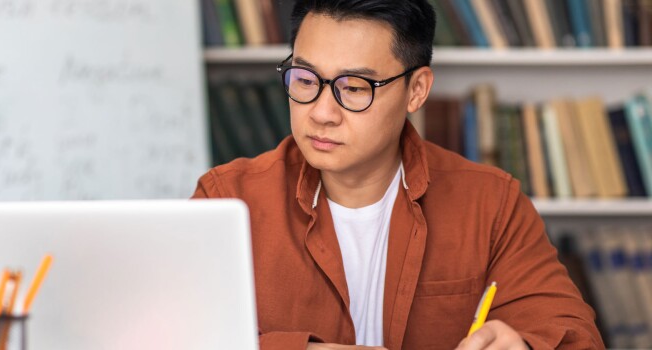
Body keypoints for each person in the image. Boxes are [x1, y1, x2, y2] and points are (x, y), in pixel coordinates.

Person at [191, 1, 604, 349]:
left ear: (417, 90)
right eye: (304, 79)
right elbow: (171, 335)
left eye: (353, 88)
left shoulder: (490, 202)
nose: (320, 112)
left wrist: (524, 344)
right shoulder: (227, 198)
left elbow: (575, 335)